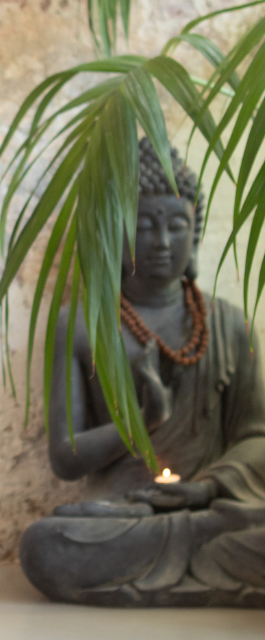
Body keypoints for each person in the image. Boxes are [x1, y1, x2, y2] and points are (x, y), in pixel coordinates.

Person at [19, 139, 265, 606]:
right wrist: (142, 423)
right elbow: (66, 458)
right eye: (145, 226)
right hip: (122, 512)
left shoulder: (231, 324)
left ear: (195, 234)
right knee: (44, 546)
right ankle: (208, 570)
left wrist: (207, 488)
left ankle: (181, 560)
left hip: (213, 509)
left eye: (177, 226)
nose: (163, 242)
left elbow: (258, 436)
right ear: (118, 234)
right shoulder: (81, 324)